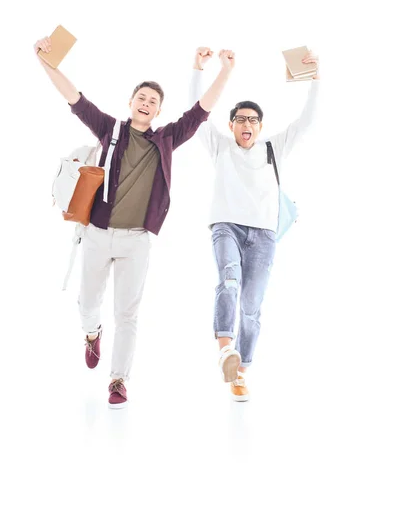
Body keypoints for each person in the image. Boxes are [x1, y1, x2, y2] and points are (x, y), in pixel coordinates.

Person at [34, 36, 235, 408]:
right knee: (88, 304)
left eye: (153, 101)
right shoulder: (110, 129)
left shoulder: (167, 138)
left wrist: (224, 70)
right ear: (131, 103)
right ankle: (91, 334)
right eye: (141, 98)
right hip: (97, 233)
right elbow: (75, 99)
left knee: (127, 313)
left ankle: (117, 380)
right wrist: (46, 62)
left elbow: (201, 111)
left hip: (137, 240)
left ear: (158, 111)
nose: (146, 104)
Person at [189, 46, 320, 401]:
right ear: (230, 125)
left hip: (263, 235)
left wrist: (315, 79)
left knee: (251, 305)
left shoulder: (273, 148)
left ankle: (240, 371)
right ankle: (225, 349)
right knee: (228, 278)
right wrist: (198, 69)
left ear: (260, 126)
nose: (246, 125)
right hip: (226, 227)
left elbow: (307, 120)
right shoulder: (219, 147)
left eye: (252, 120)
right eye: (240, 119)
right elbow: (196, 113)